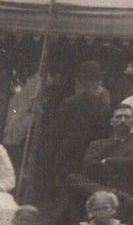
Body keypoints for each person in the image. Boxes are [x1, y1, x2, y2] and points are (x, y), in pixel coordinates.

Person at [56, 104, 133, 225]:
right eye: (118, 117)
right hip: (102, 194)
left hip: (125, 189)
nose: (123, 120)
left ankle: (118, 195)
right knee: (73, 179)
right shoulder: (97, 144)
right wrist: (122, 167)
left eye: (127, 117)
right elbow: (88, 166)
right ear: (111, 121)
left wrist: (108, 162)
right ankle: (117, 195)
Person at [43, 61, 113, 194]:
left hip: (92, 157)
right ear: (83, 82)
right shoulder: (69, 104)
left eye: (97, 80)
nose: (94, 84)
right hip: (71, 156)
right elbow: (55, 133)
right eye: (90, 80)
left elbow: (105, 131)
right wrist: (55, 160)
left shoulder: (104, 105)